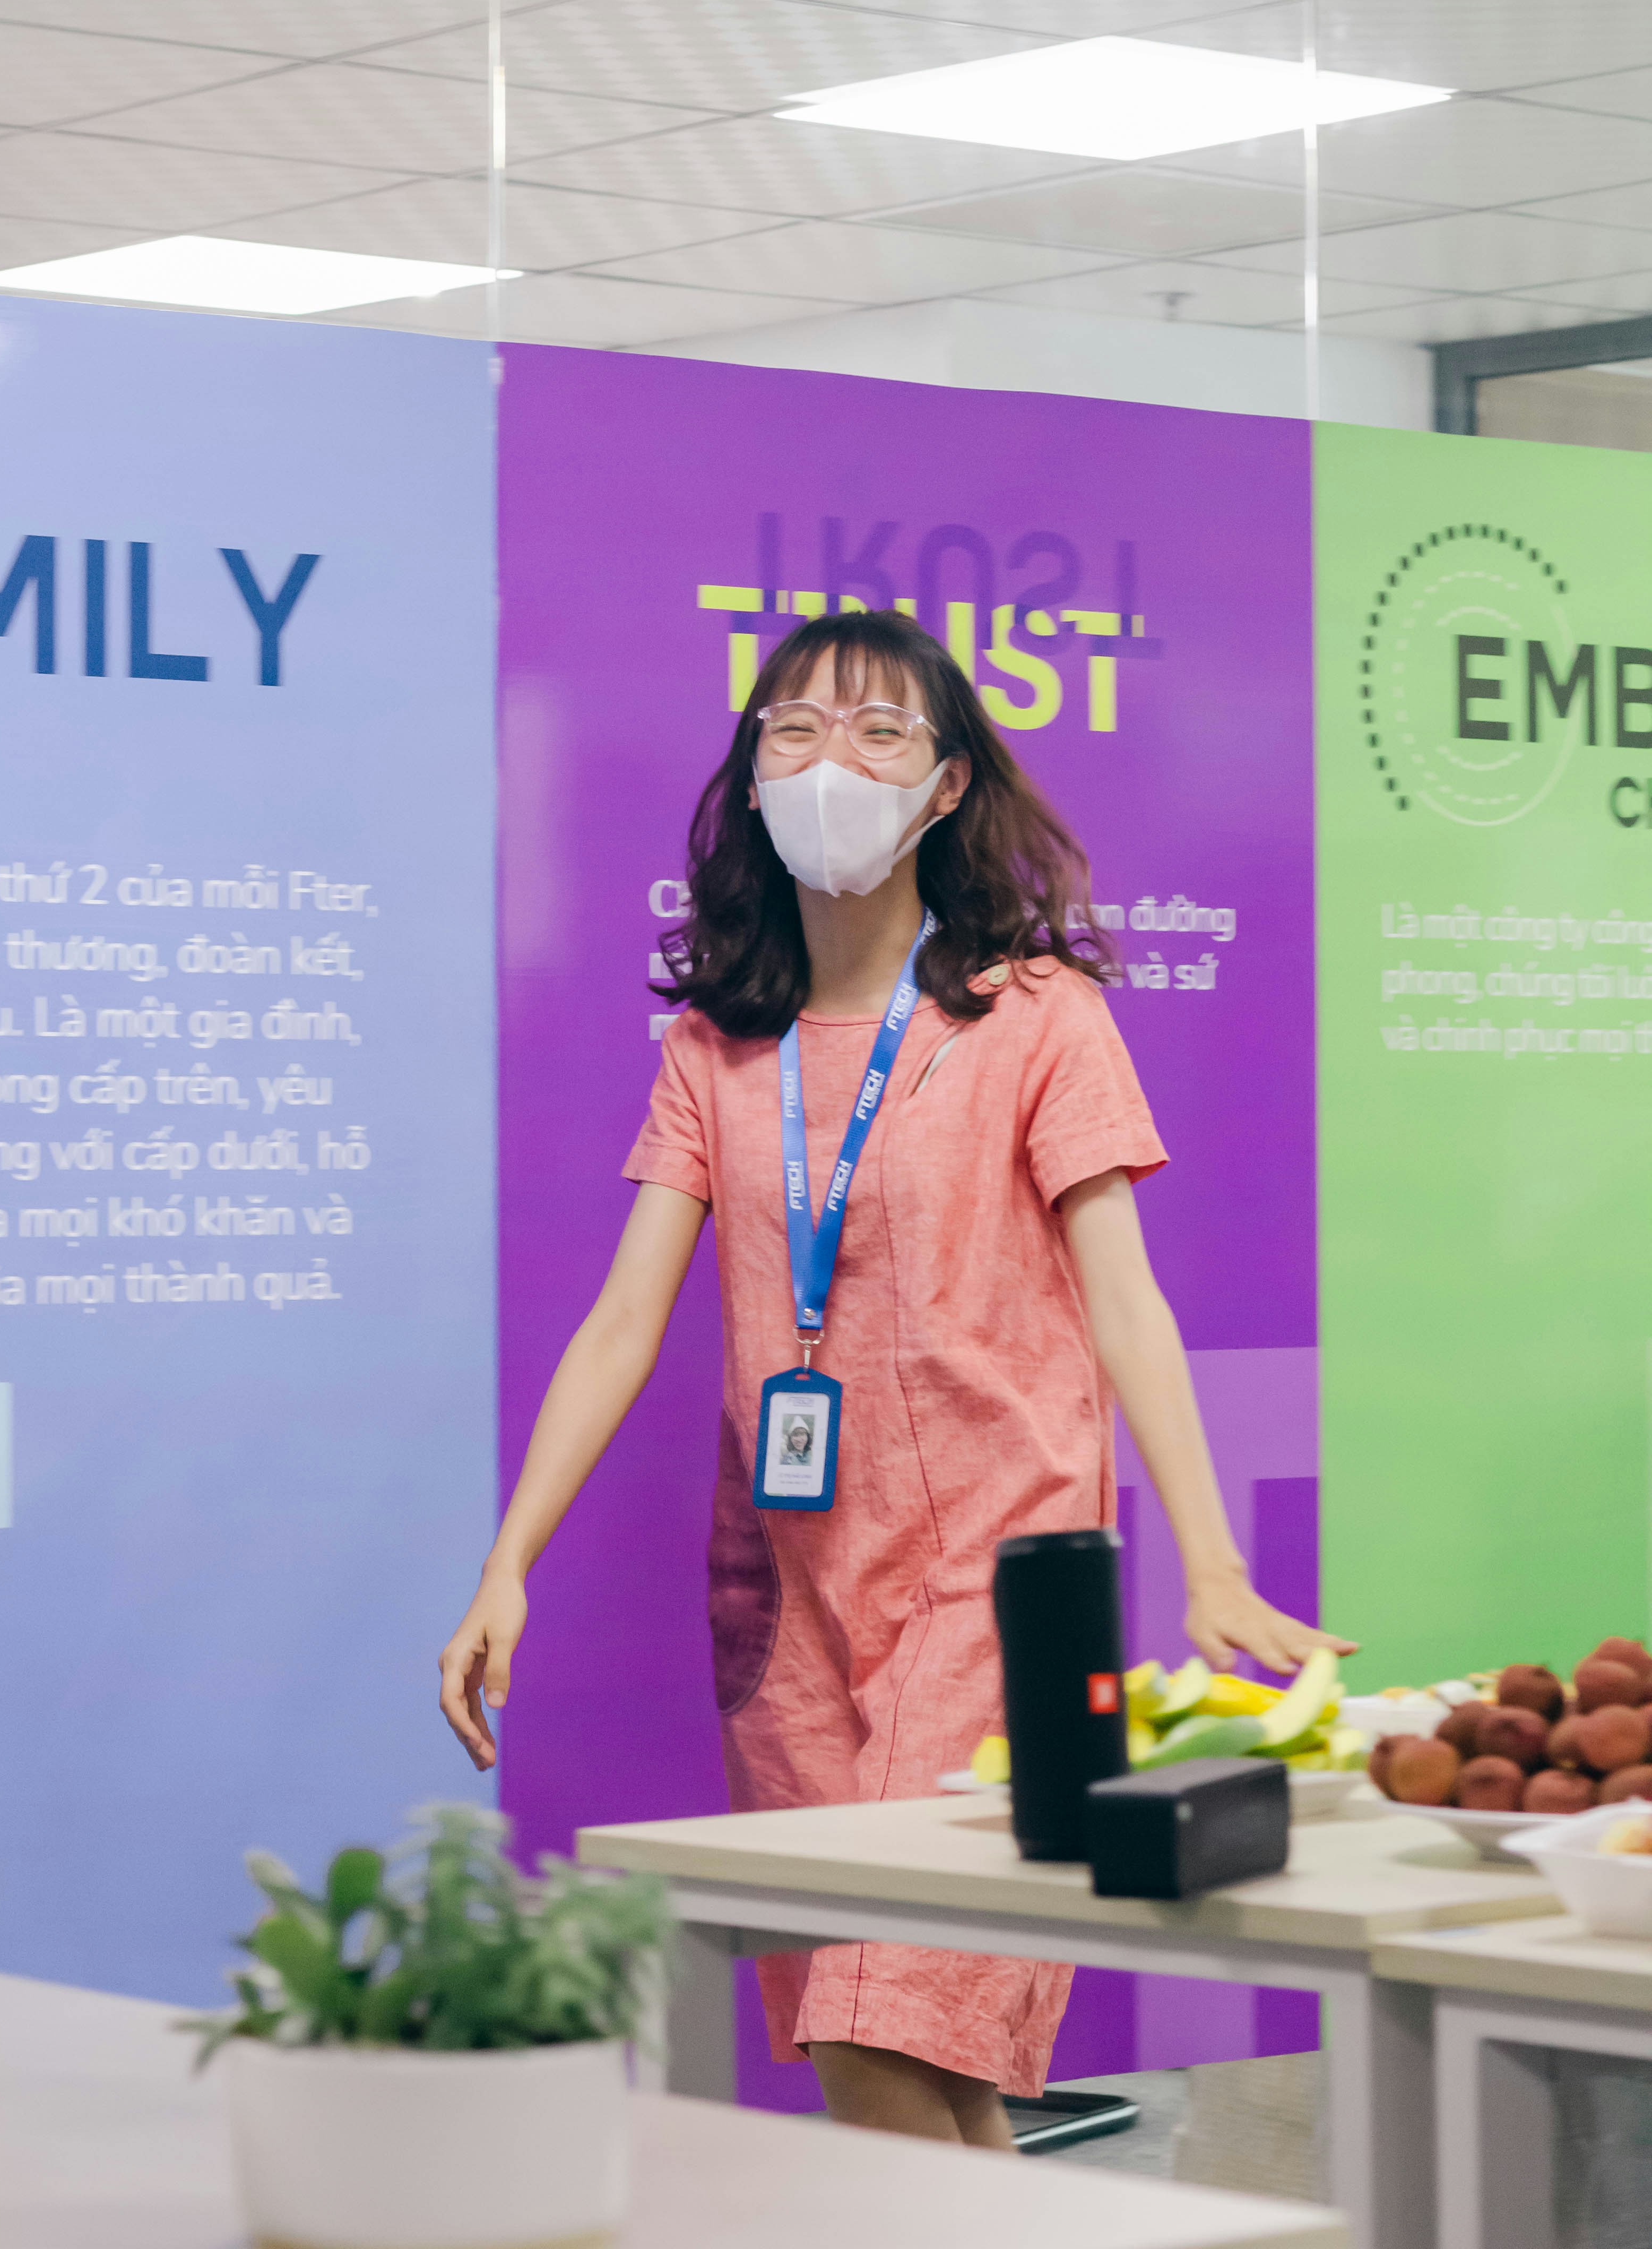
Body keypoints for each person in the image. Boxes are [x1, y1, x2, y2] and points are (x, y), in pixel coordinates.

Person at [439, 608, 1350, 2150]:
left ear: (945, 789)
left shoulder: (1035, 1016)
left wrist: (1209, 1563)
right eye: (793, 731)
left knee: (886, 2019)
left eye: (878, 734)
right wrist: (505, 1561)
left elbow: (1126, 1303)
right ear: (748, 777)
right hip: (786, 1596)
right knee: (906, 2071)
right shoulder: (715, 1046)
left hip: (998, 1581)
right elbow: (621, 1321)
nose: (830, 764)